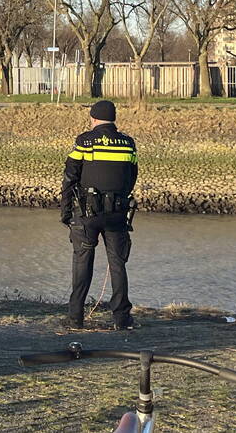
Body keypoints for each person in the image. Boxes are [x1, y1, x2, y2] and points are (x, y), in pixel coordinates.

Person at [59, 100, 138, 330]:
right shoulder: (128, 143)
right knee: (117, 265)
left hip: (87, 215)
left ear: (93, 118)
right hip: (117, 214)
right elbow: (132, 176)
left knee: (82, 264)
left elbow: (70, 177)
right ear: (114, 119)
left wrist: (65, 212)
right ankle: (122, 319)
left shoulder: (85, 141)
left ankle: (75, 319)